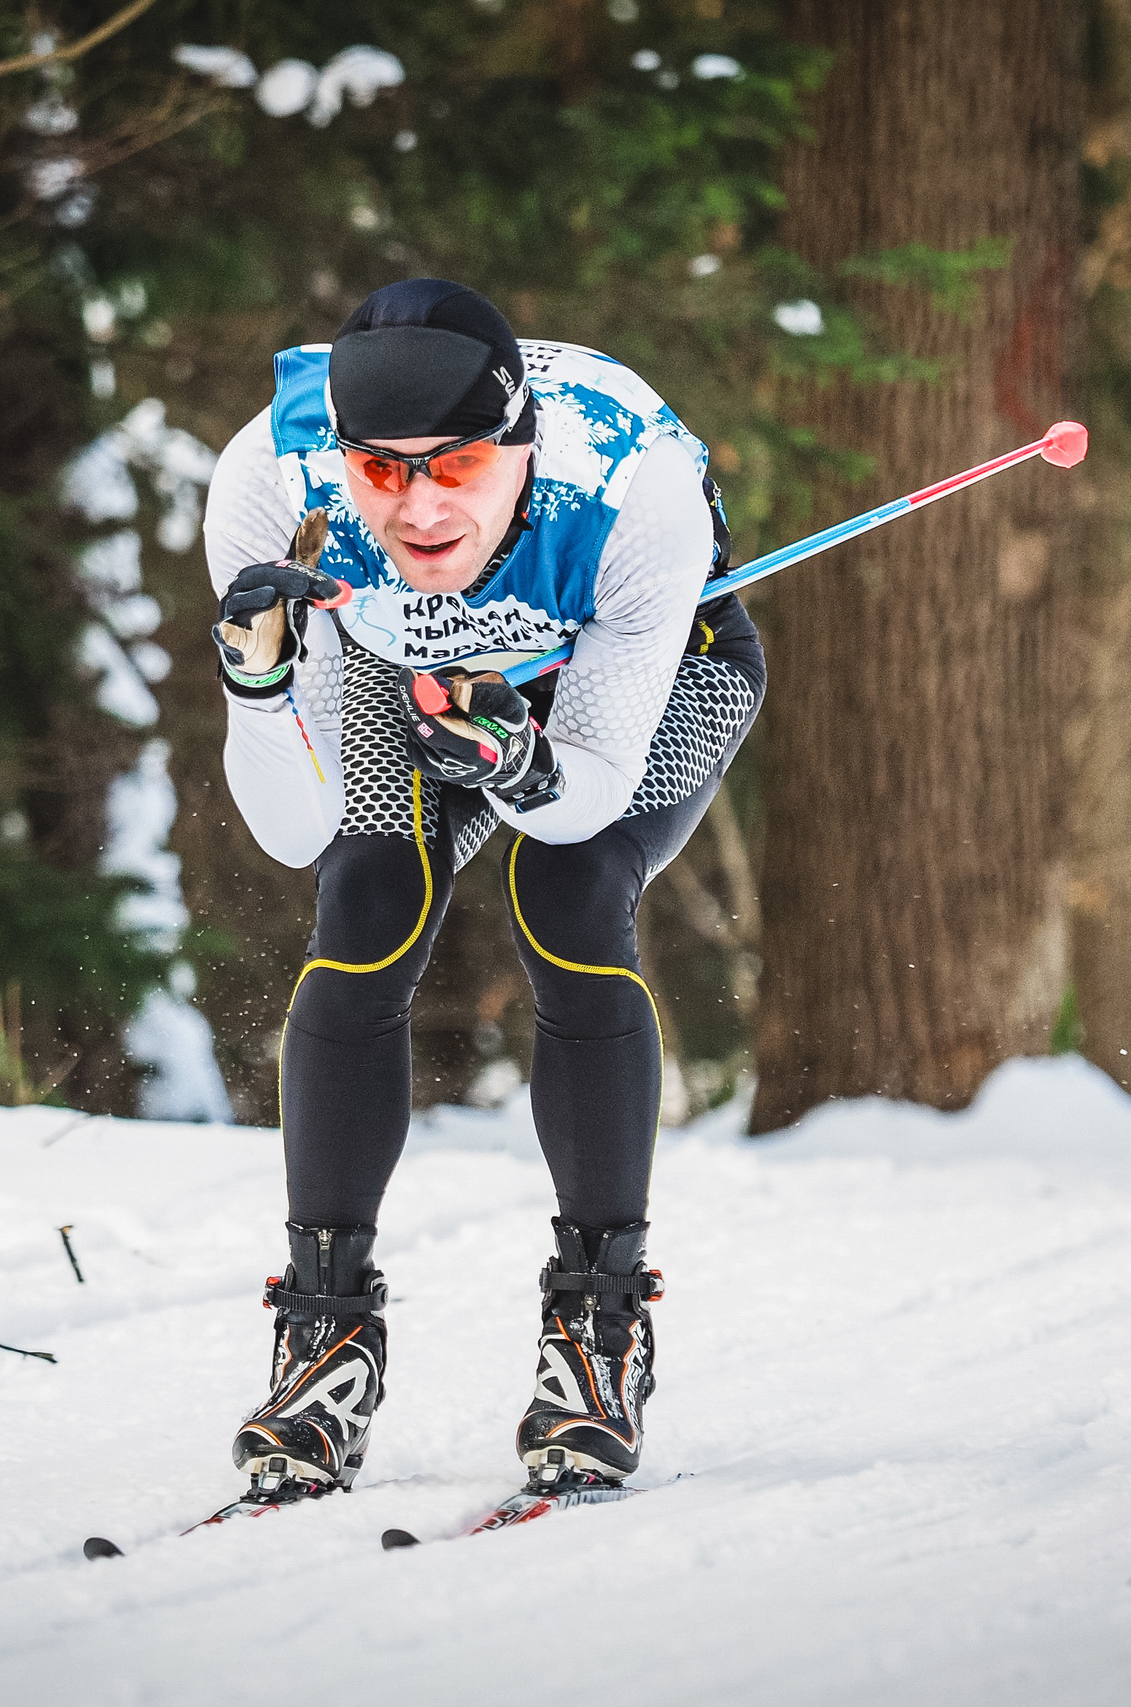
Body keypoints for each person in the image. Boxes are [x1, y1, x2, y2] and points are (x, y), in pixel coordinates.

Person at [201, 278, 763, 1503]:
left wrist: (515, 759)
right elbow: (291, 831)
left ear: (519, 445)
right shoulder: (268, 480)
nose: (417, 505)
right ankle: (325, 1339)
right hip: (397, 673)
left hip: (628, 689)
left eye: (454, 464)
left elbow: (586, 793)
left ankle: (599, 1337)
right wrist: (257, 691)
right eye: (381, 469)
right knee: (357, 909)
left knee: (569, 897)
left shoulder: (632, 490)